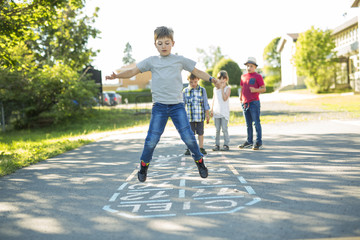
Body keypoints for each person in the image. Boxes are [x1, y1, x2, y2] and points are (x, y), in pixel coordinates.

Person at [105, 26, 218, 182]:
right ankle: (144, 166)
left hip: (177, 106)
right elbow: (133, 71)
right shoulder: (151, 61)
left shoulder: (179, 60)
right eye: (160, 43)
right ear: (155, 44)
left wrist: (212, 79)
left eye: (167, 43)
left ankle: (200, 162)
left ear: (173, 43)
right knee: (151, 139)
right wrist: (116, 76)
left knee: (189, 138)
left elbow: (197, 72)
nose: (164, 46)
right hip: (159, 106)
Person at [238, 57, 266, 150]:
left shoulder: (258, 76)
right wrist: (241, 97)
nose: (249, 68)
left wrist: (256, 90)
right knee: (248, 124)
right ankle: (249, 141)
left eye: (251, 66)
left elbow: (263, 88)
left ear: (255, 67)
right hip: (245, 103)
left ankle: (258, 142)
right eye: (247, 66)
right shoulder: (243, 76)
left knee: (256, 123)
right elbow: (242, 88)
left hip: (254, 102)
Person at [183, 73, 210, 156]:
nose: (193, 84)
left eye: (195, 82)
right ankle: (189, 148)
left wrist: (207, 115)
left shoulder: (202, 90)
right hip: (189, 117)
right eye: (191, 82)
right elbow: (183, 105)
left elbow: (205, 103)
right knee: (190, 134)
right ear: (188, 81)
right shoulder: (185, 91)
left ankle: (201, 148)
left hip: (200, 116)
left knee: (200, 132)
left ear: (198, 80)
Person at [210, 70, 231, 151]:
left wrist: (222, 89)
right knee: (217, 130)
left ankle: (226, 144)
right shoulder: (215, 89)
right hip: (216, 112)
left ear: (226, 79)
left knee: (224, 129)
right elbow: (213, 99)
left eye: (224, 78)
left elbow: (225, 98)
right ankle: (217, 144)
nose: (222, 80)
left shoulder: (227, 88)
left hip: (224, 112)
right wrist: (211, 109)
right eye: (220, 78)